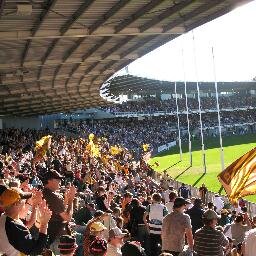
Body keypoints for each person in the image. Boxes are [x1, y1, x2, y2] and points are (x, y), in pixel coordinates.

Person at [0, 185, 52, 255]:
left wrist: (34, 206)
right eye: (23, 199)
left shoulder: (4, 218)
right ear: (16, 204)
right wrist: (44, 224)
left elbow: (24, 229)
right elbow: (36, 250)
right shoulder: (13, 227)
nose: (25, 201)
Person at [42, 170, 77, 252]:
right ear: (49, 181)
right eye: (57, 179)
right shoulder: (52, 196)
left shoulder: (45, 192)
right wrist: (71, 200)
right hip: (57, 235)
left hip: (50, 232)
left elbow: (59, 211)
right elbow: (67, 217)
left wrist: (66, 200)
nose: (60, 182)